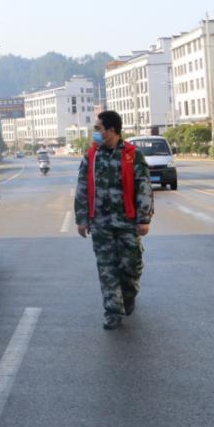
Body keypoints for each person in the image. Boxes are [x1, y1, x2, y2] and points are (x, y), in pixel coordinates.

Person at [73, 111, 154, 330]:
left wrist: (144, 218)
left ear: (111, 131)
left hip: (127, 222)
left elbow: (144, 187)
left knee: (131, 266)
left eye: (98, 128)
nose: (95, 133)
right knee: (106, 268)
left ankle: (128, 296)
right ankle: (112, 311)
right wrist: (81, 218)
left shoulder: (131, 155)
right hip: (101, 223)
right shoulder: (91, 156)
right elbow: (82, 187)